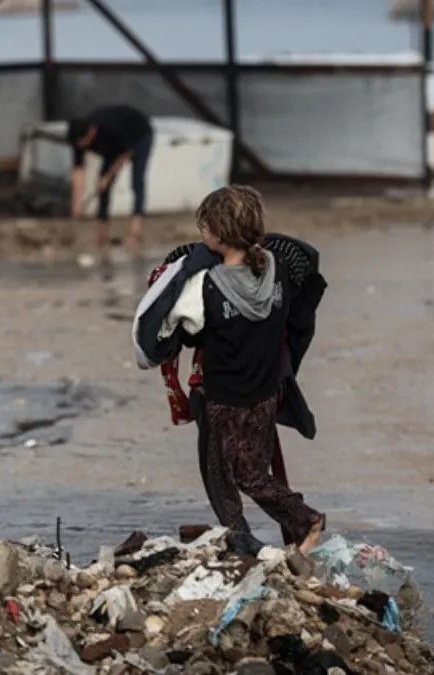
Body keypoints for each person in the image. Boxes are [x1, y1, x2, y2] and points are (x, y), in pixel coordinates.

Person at [133, 186, 327, 552]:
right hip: (265, 393)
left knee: (219, 475)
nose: (202, 233)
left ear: (218, 233)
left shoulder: (206, 285)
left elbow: (185, 334)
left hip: (221, 398)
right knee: (252, 473)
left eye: (204, 227)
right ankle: (300, 520)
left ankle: (247, 537)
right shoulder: (279, 270)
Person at [67, 105, 154, 250]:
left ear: (92, 132)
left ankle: (135, 232)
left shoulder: (110, 128)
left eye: (84, 142)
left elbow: (125, 152)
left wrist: (108, 176)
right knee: (103, 187)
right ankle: (102, 234)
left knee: (136, 181)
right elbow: (78, 172)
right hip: (112, 148)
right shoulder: (78, 139)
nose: (83, 147)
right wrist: (77, 207)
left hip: (138, 134)